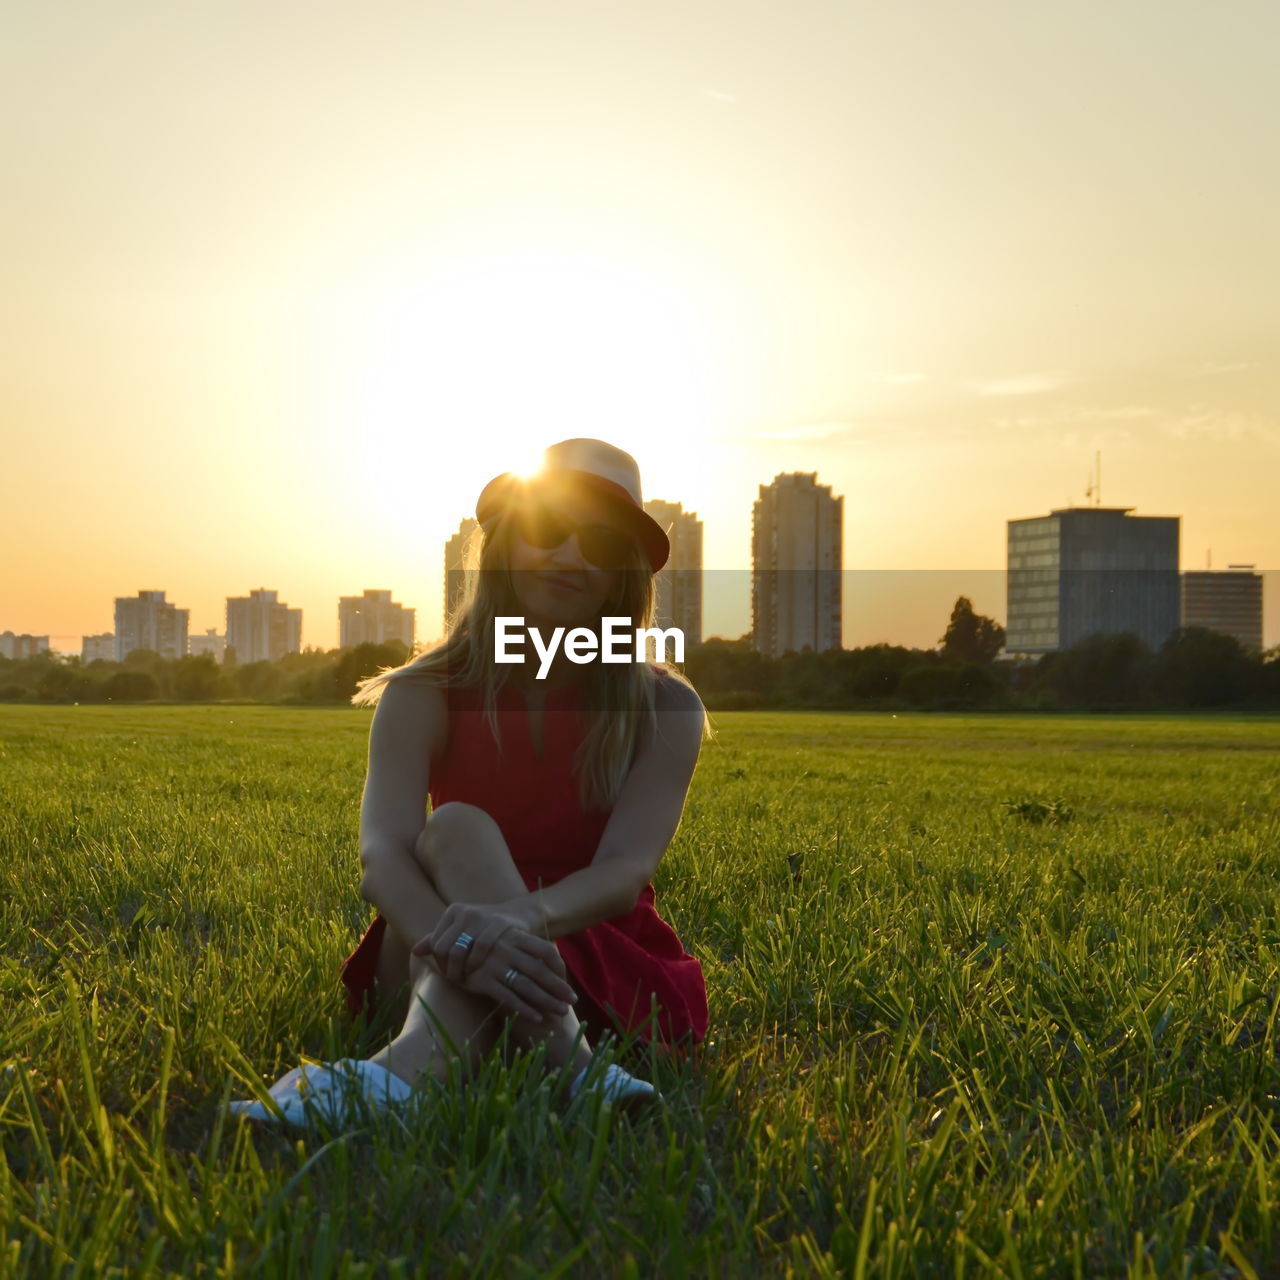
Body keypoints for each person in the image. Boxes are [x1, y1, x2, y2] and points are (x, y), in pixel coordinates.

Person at [229, 438, 710, 1129]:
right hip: (427, 933)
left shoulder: (667, 707)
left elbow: (623, 874)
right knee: (455, 828)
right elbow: (383, 860)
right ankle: (578, 1072)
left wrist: (506, 926)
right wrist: (461, 943)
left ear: (624, 573)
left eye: (600, 541)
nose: (570, 556)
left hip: (590, 948)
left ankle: (397, 1080)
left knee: (463, 850)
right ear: (508, 546)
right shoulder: (425, 688)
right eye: (548, 530)